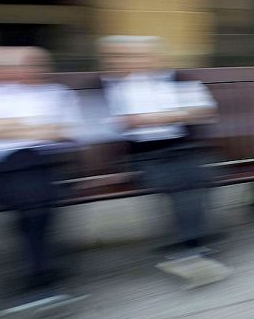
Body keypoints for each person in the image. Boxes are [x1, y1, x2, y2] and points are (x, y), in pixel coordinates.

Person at [97, 36, 228, 287]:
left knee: (200, 174)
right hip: (145, 152)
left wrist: (158, 117)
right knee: (174, 180)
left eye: (145, 55)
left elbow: (204, 110)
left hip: (182, 146)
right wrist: (173, 115)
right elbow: (124, 121)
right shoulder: (119, 85)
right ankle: (191, 246)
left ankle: (191, 245)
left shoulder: (177, 80)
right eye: (132, 57)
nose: (141, 61)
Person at [0, 46, 84, 312]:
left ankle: (39, 279)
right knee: (35, 202)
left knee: (35, 200)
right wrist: (28, 128)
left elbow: (62, 131)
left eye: (34, 65)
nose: (21, 71)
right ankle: (42, 278)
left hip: (42, 163)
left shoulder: (55, 92)